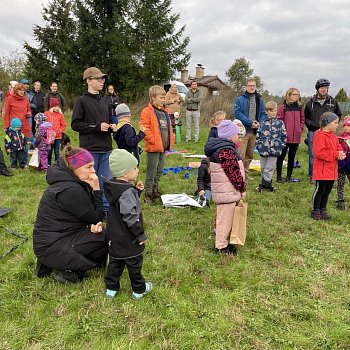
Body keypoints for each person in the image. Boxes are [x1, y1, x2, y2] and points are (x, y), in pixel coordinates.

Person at [33, 145, 107, 283]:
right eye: (89, 167)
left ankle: (52, 262)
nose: (93, 170)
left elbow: (90, 215)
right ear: (74, 167)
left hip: (51, 241)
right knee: (105, 237)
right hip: (52, 246)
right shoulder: (70, 189)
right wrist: (97, 189)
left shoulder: (69, 182)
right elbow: (98, 216)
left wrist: (91, 223)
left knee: (100, 233)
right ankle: (66, 270)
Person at [104, 149, 152, 300]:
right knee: (134, 264)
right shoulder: (126, 192)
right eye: (134, 168)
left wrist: (136, 191)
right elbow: (131, 216)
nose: (137, 170)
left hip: (115, 238)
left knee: (115, 263)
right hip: (128, 239)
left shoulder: (114, 186)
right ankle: (139, 290)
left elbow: (122, 206)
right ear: (125, 173)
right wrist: (140, 234)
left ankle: (111, 288)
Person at [71, 67, 117, 214]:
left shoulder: (105, 101)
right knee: (89, 183)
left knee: (105, 183)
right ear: (89, 81)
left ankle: (105, 212)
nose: (102, 81)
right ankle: (89, 213)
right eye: (98, 79)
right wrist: (96, 127)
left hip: (106, 148)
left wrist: (112, 126)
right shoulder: (81, 101)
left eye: (102, 79)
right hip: (90, 149)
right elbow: (75, 124)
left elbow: (108, 121)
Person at [204, 120, 246, 256]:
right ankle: (221, 246)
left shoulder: (223, 147)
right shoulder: (226, 151)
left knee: (225, 218)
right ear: (229, 136)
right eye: (236, 134)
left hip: (226, 190)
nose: (238, 137)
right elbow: (234, 173)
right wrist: (241, 187)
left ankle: (224, 241)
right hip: (227, 191)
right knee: (225, 220)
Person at [139, 85, 174, 204]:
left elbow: (168, 128)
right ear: (153, 98)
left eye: (164, 97)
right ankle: (148, 194)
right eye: (161, 97)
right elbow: (144, 127)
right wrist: (153, 139)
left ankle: (155, 190)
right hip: (153, 147)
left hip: (163, 148)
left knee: (159, 170)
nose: (164, 99)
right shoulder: (147, 111)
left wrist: (171, 138)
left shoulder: (164, 112)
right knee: (151, 171)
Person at [305, 78, 342, 182]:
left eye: (326, 87)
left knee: (330, 153)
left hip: (328, 133)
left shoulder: (333, 102)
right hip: (314, 132)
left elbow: (338, 114)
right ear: (317, 89)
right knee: (313, 155)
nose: (324, 89)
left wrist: (335, 126)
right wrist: (311, 125)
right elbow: (305, 116)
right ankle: (313, 176)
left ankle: (329, 176)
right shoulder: (311, 103)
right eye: (322, 87)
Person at [311, 112, 345, 220]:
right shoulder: (319, 137)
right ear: (327, 123)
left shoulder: (334, 137)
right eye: (335, 122)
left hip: (332, 170)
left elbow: (339, 147)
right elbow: (320, 153)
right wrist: (336, 154)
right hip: (321, 171)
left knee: (327, 192)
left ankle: (323, 209)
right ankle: (315, 210)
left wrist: (341, 153)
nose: (337, 125)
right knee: (320, 191)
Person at [234, 78, 266, 176]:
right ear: (246, 87)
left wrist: (260, 123)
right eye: (250, 85)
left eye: (253, 85)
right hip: (243, 131)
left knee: (250, 154)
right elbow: (237, 113)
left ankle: (246, 173)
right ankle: (239, 174)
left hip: (254, 131)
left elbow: (263, 114)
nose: (252, 87)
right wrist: (250, 122)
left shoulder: (259, 100)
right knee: (241, 154)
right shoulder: (239, 99)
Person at [256, 101, 286, 192]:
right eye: (271, 111)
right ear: (266, 111)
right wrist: (259, 146)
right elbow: (258, 135)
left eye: (275, 110)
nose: (274, 112)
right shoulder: (262, 123)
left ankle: (264, 185)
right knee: (263, 168)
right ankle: (267, 184)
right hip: (263, 150)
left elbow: (284, 135)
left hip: (275, 150)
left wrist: (282, 145)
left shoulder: (280, 123)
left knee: (270, 167)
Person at [276, 88, 305, 183]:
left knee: (291, 157)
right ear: (289, 95)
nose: (297, 96)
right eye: (294, 94)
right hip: (284, 137)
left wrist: (299, 129)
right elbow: (279, 120)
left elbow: (302, 120)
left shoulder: (300, 108)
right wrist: (283, 131)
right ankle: (279, 177)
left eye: (298, 94)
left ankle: (289, 177)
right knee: (281, 156)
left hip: (295, 136)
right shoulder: (283, 107)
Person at [3, 83, 31, 167]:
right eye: (20, 90)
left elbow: (29, 110)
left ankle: (24, 163)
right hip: (14, 127)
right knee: (13, 144)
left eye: (23, 90)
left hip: (24, 125)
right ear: (16, 90)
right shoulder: (9, 99)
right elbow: (6, 113)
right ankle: (13, 163)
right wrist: (6, 126)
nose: (22, 92)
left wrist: (29, 113)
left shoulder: (26, 99)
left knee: (24, 144)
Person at [44, 97, 67, 165]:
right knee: (49, 151)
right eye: (55, 106)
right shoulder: (46, 114)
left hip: (58, 137)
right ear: (52, 107)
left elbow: (63, 125)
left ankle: (57, 164)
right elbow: (44, 124)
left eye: (58, 106)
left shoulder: (61, 115)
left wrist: (58, 132)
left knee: (57, 151)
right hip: (49, 137)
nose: (57, 107)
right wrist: (48, 133)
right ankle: (48, 164)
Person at [336, 116, 350, 210]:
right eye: (345, 125)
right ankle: (340, 201)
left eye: (348, 126)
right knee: (340, 183)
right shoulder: (340, 136)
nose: (346, 127)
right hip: (341, 166)